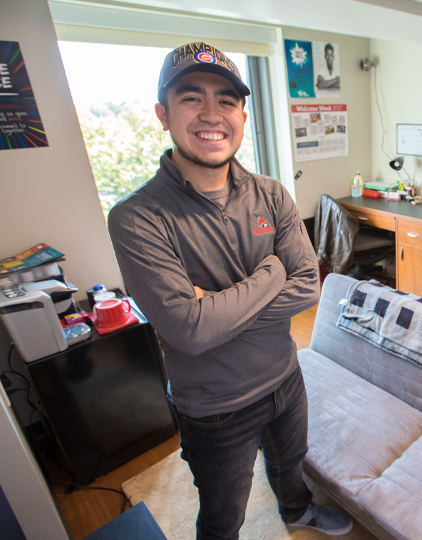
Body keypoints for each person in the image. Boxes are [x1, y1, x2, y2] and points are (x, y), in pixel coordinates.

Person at [107, 42, 353, 539]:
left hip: (285, 375)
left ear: (243, 113)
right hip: (215, 407)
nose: (211, 114)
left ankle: (297, 512)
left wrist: (213, 308)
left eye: (225, 100)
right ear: (163, 114)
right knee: (223, 512)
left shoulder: (271, 193)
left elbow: (308, 288)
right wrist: (269, 273)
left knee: (292, 465)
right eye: (191, 98)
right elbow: (188, 332)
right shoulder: (136, 217)